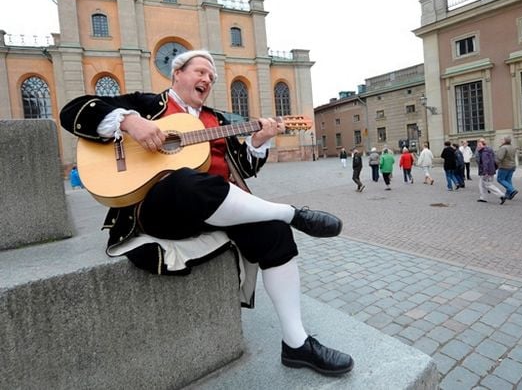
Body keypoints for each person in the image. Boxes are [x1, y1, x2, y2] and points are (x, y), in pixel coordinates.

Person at [59, 50, 353, 376]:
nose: (207, 81)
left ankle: (296, 344)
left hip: (216, 206)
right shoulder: (147, 105)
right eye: (201, 72)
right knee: (184, 180)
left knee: (273, 232)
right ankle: (292, 213)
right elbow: (73, 110)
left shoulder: (217, 120)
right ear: (177, 75)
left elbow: (241, 168)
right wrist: (131, 122)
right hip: (160, 209)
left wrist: (260, 140)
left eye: (211, 78)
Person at [475, 138, 507, 204]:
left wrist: (485, 172)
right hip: (489, 170)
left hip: (486, 171)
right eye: (478, 145)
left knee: (488, 184)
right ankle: (483, 198)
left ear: (483, 145)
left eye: (479, 145)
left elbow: (485, 163)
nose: (478, 147)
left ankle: (501, 195)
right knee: (481, 184)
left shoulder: (484, 152)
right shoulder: (488, 150)